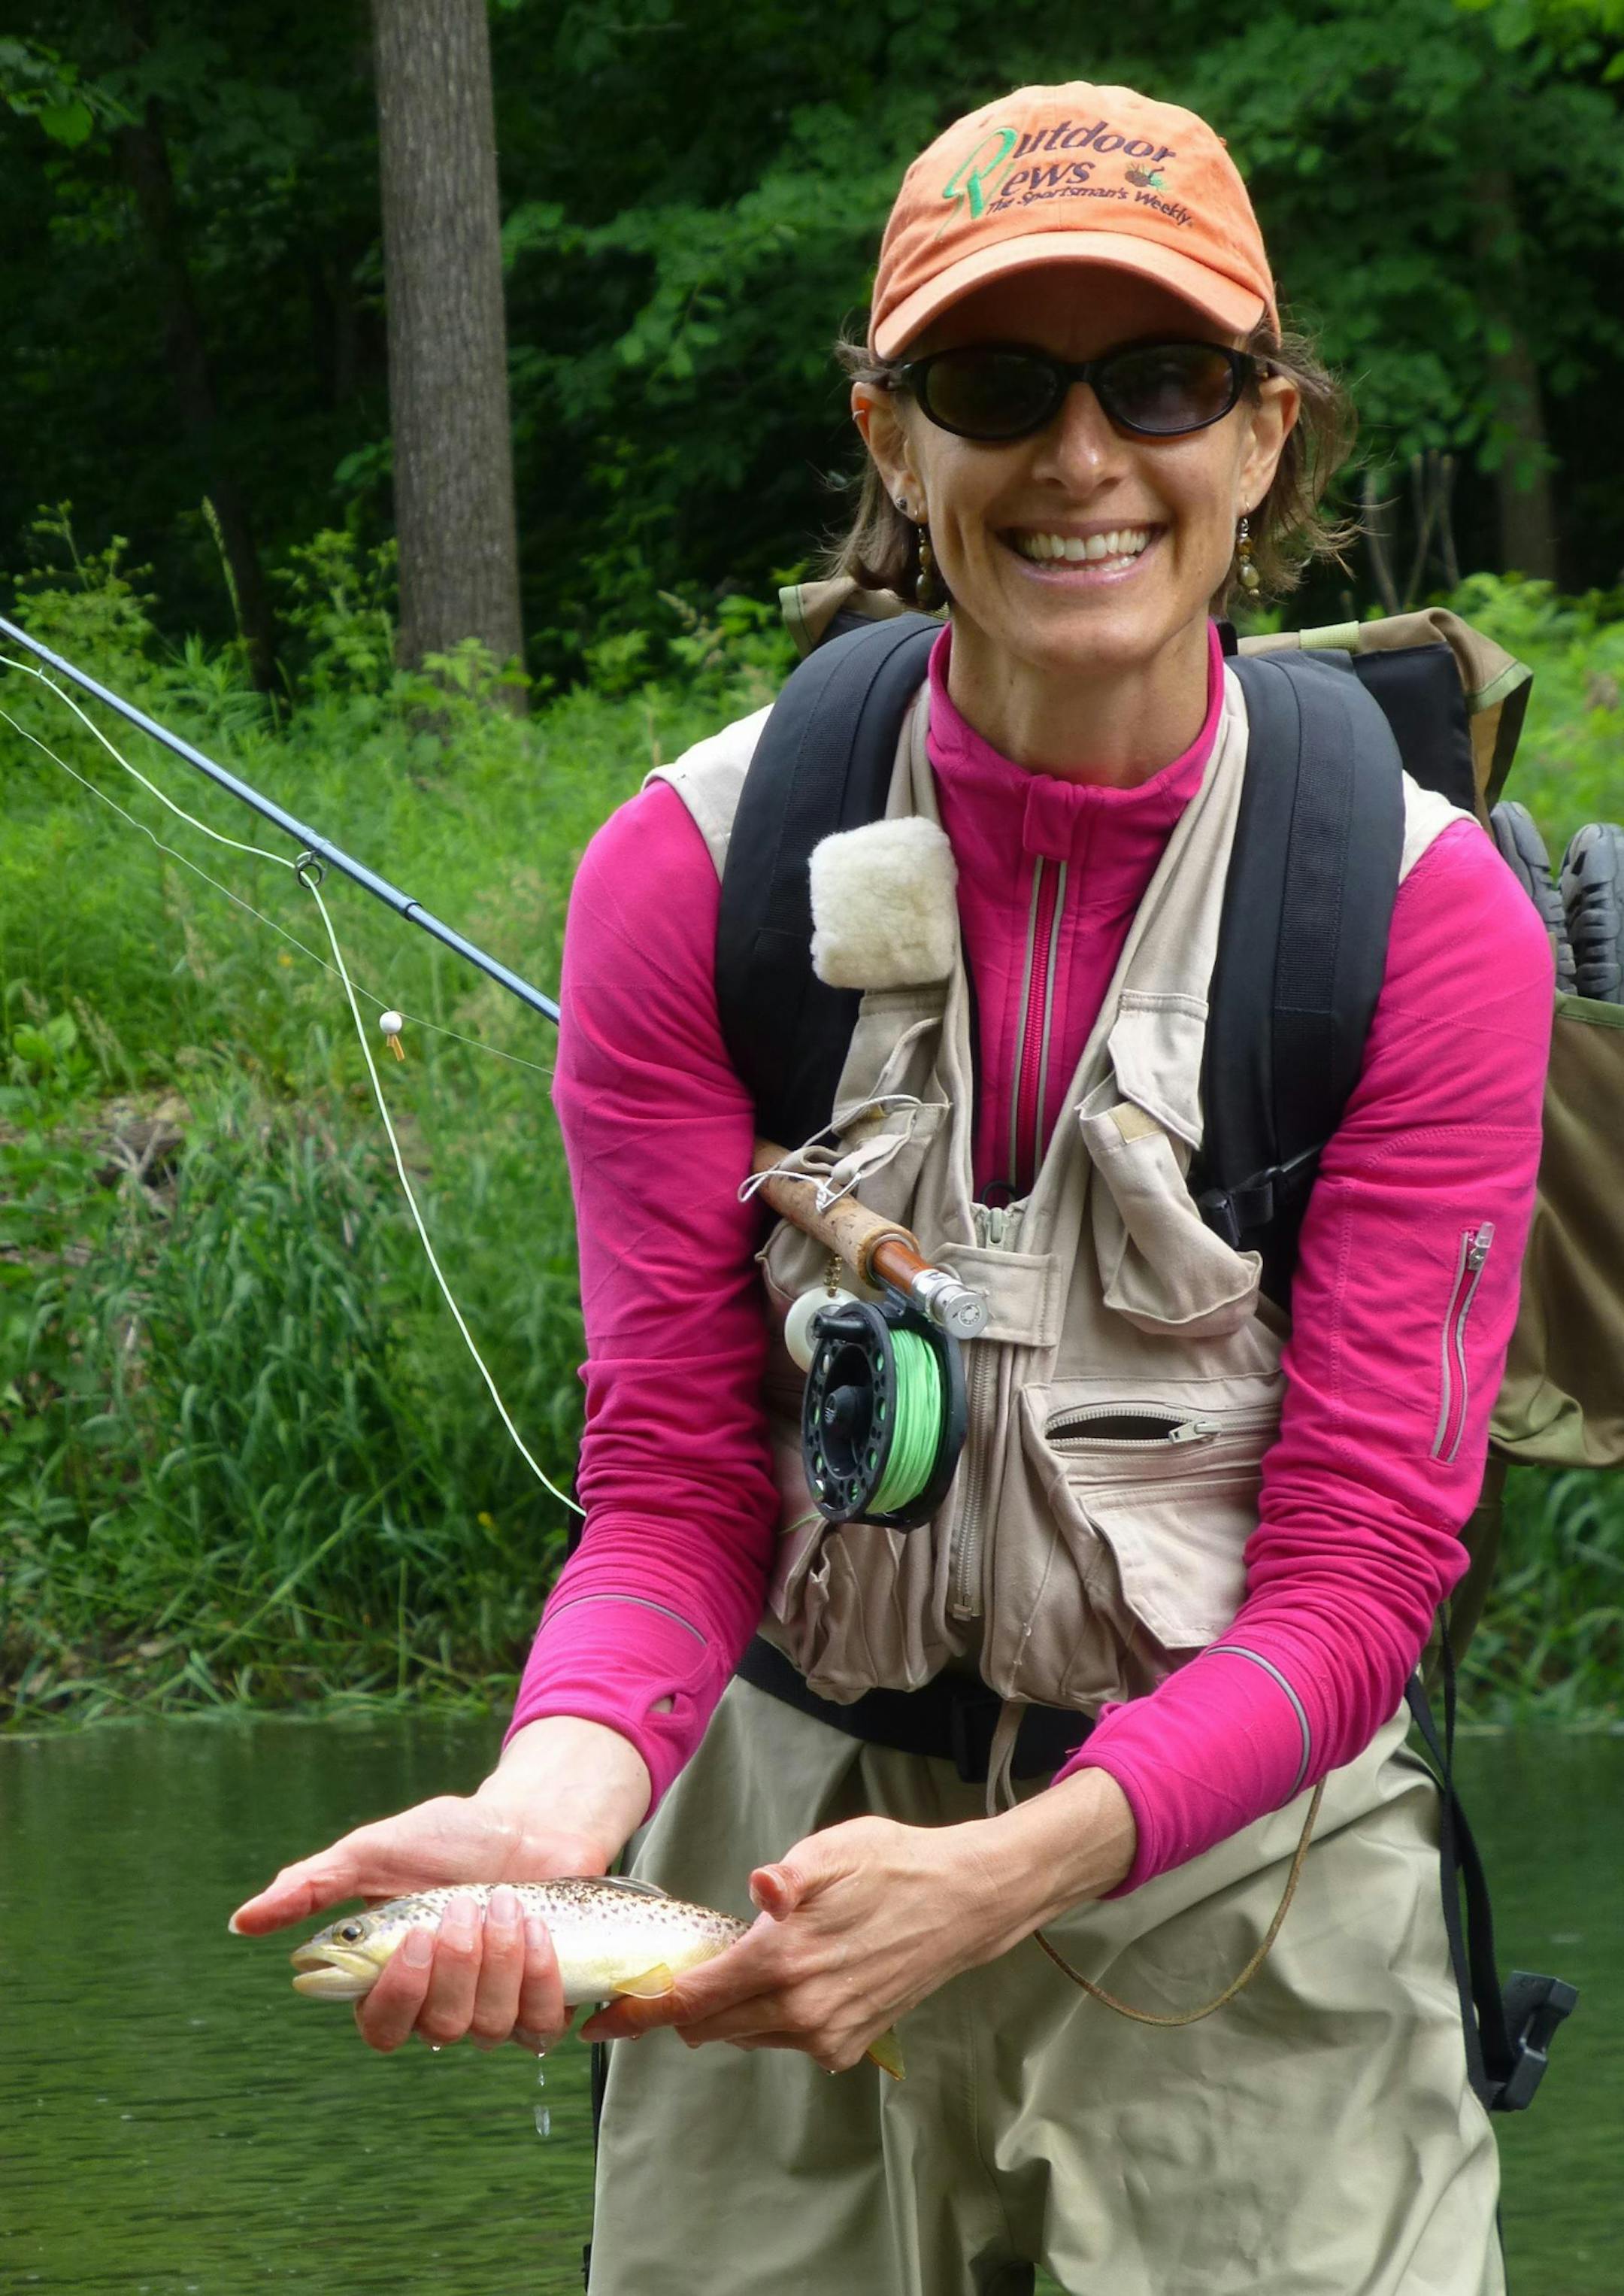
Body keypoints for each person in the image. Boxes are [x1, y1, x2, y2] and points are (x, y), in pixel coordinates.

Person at [233, 81, 1554, 2294]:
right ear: (890, 439)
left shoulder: (1421, 925)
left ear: (1262, 436)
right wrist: (556, 1814)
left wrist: (1009, 1872)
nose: (1079, 457)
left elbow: (1356, 1581)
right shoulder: (688, 873)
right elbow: (669, 1483)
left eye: (1157, 382)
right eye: (990, 384)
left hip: (1240, 1860)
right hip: (765, 1845)